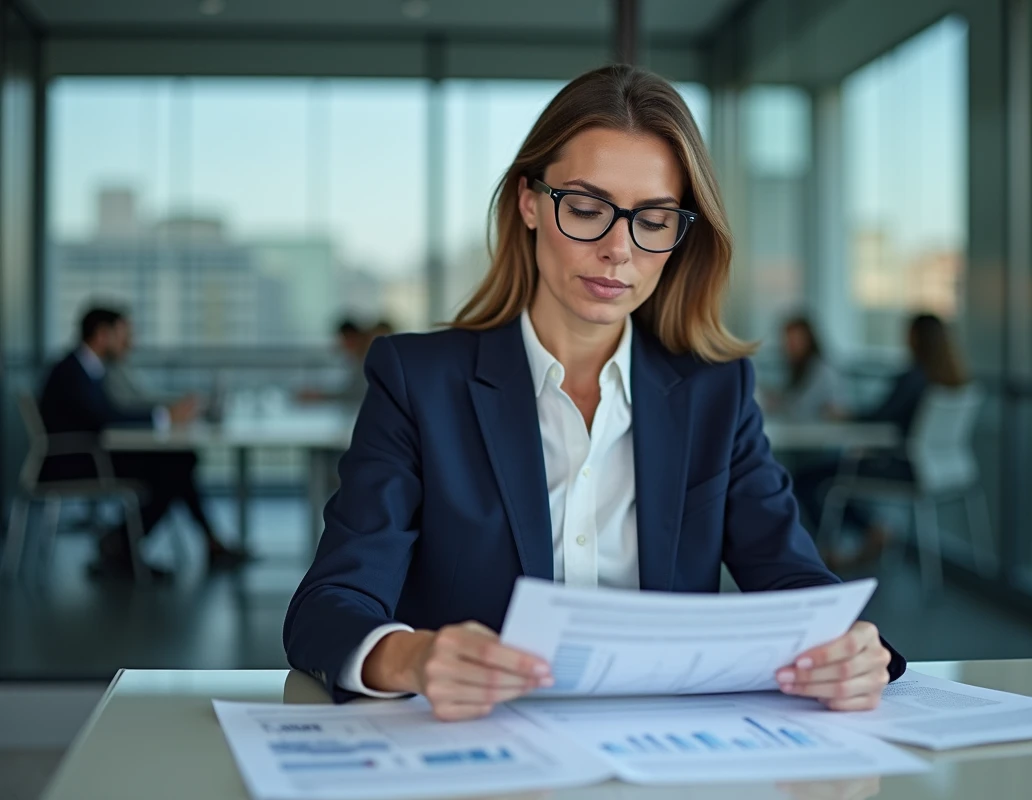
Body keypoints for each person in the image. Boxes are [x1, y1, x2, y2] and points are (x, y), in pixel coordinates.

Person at [283, 65, 904, 719]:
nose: (618, 249)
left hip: (663, 756)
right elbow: (327, 607)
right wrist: (409, 657)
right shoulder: (419, 381)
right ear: (529, 203)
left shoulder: (714, 393)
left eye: (654, 220)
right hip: (477, 758)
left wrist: (857, 653)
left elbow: (794, 582)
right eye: (586, 209)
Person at [38, 307, 248, 580]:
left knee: (179, 461)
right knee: (175, 467)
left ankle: (125, 543)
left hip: (92, 454)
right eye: (122, 334)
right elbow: (105, 418)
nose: (129, 342)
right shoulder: (72, 371)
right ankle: (124, 543)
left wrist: (165, 414)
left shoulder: (87, 368)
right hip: (76, 461)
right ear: (102, 334)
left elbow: (109, 413)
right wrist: (162, 417)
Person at [793, 313, 969, 567]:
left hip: (903, 464)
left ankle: (857, 537)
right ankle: (872, 530)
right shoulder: (951, 381)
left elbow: (881, 416)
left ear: (916, 338)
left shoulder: (913, 378)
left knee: (810, 478)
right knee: (833, 474)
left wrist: (847, 415)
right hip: (945, 468)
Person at [775, 316, 846, 422]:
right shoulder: (796, 370)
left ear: (808, 341)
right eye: (787, 341)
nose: (789, 346)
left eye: (794, 341)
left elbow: (839, 411)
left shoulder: (823, 372)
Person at [297, 318, 371, 406]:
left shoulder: (366, 361)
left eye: (343, 339)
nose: (341, 344)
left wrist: (321, 396)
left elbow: (355, 394)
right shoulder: (357, 361)